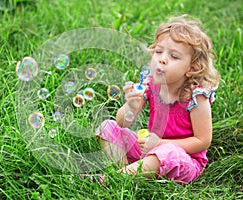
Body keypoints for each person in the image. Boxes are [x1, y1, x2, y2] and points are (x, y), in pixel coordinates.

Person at [93, 15, 220, 184]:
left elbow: (202, 141)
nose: (162, 59)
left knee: (167, 151)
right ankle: (123, 174)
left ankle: (113, 180)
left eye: (174, 56)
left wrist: (160, 143)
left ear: (192, 68)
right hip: (150, 148)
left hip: (183, 159)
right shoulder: (151, 85)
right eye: (159, 52)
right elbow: (122, 123)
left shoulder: (197, 96)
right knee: (107, 127)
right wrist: (131, 106)